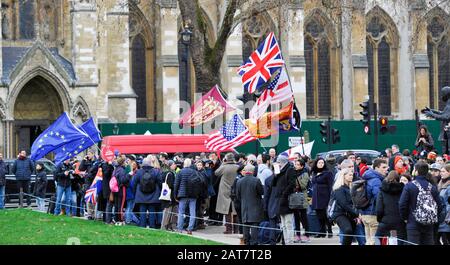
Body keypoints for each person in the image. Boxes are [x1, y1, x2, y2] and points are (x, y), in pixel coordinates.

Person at [399, 161, 444, 245]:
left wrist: (405, 217)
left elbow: (402, 204)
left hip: (413, 221)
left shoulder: (409, 186)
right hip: (429, 223)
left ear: (416, 171)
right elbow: (439, 205)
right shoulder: (432, 187)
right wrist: (433, 216)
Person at [360, 158, 389, 245]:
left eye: (386, 167)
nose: (386, 169)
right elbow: (378, 197)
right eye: (383, 167)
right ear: (376, 168)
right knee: (373, 242)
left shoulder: (368, 177)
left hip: (365, 213)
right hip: (373, 214)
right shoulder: (376, 180)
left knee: (369, 241)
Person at [375, 171, 407, 245]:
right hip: (400, 221)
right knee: (402, 241)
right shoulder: (403, 190)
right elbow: (404, 205)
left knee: (377, 239)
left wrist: (380, 219)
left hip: (385, 220)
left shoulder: (382, 190)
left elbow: (379, 208)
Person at [236, 164, 264, 245]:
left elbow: (238, 195)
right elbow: (261, 192)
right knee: (254, 226)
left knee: (246, 226)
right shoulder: (256, 180)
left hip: (244, 207)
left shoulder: (239, 181)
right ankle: (254, 242)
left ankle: (246, 242)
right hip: (255, 207)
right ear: (252, 171)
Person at [332, 168, 360, 245]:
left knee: (350, 235)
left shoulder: (351, 188)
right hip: (340, 214)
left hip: (351, 214)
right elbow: (344, 204)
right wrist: (357, 214)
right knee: (348, 230)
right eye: (350, 175)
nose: (352, 177)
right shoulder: (339, 189)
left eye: (352, 175)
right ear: (343, 176)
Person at [133, 157, 162, 228]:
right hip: (153, 196)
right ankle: (152, 226)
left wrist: (135, 193)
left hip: (141, 196)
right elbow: (160, 183)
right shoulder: (156, 172)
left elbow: (134, 183)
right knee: (152, 212)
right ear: (150, 163)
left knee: (142, 212)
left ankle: (142, 226)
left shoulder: (139, 172)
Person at [273, 155, 296, 245]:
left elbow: (292, 184)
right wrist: (275, 174)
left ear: (282, 162)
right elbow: (273, 184)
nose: (277, 164)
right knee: (283, 224)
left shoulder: (289, 169)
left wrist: (284, 194)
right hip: (280, 199)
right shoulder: (280, 171)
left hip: (286, 199)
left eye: (278, 162)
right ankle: (286, 241)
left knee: (288, 223)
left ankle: (289, 242)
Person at [215, 153, 239, 234]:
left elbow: (216, 173)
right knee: (235, 211)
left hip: (225, 191)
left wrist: (222, 163)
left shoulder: (224, 167)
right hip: (235, 190)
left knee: (227, 211)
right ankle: (236, 229)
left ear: (226, 159)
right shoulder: (237, 167)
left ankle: (228, 229)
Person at [311, 157, 334, 238]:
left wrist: (331, 197)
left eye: (322, 163)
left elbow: (331, 186)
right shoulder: (314, 173)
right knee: (319, 215)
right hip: (316, 196)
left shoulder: (328, 173)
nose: (321, 164)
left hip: (324, 196)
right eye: (319, 163)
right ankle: (322, 232)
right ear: (316, 164)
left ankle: (330, 230)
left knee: (325, 215)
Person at [174, 158, 197, 234]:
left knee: (181, 212)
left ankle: (179, 229)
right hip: (193, 195)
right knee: (192, 212)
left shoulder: (180, 172)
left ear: (184, 164)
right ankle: (190, 229)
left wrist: (175, 195)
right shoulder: (194, 172)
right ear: (190, 164)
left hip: (182, 194)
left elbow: (176, 185)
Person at [292, 159, 311, 243]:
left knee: (304, 217)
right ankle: (298, 235)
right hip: (295, 197)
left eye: (297, 164)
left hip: (302, 198)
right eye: (295, 164)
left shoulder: (305, 174)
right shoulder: (293, 173)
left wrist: (295, 179)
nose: (295, 166)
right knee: (296, 217)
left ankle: (307, 235)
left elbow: (303, 185)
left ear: (302, 166)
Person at [160, 160, 178, 230]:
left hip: (168, 196)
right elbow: (171, 185)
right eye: (173, 164)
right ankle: (164, 227)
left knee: (169, 212)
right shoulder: (170, 174)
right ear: (170, 165)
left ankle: (167, 226)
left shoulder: (165, 173)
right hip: (169, 196)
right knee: (167, 213)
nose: (175, 165)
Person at [438, 164, 450, 245]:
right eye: (440, 171)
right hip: (440, 218)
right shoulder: (440, 183)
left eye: (443, 171)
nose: (441, 173)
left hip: (446, 219)